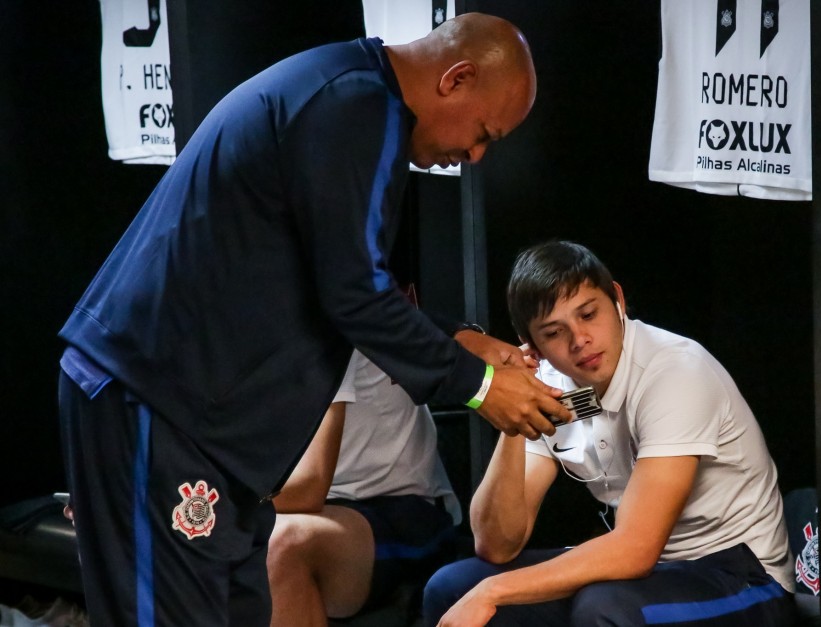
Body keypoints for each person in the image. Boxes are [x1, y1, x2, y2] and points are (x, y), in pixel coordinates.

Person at [56, 13, 570, 627]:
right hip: (157, 401)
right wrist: (478, 386)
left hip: (207, 427)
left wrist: (458, 339)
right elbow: (354, 294)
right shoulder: (353, 105)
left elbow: (337, 282)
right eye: (484, 132)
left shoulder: (354, 100)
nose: (477, 155)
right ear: (456, 79)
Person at [423, 241, 798, 627]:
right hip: (651, 573)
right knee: (451, 586)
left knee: (602, 606)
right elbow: (497, 545)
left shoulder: (675, 372)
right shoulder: (551, 382)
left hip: (741, 573)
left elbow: (635, 549)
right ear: (533, 346)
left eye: (588, 314)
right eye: (554, 333)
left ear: (616, 298)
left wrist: (493, 591)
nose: (579, 339)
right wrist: (516, 415)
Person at [267, 348, 462, 626]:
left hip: (405, 509)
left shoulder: (318, 326)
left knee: (282, 542)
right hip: (323, 511)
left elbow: (310, 487)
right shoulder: (209, 347)